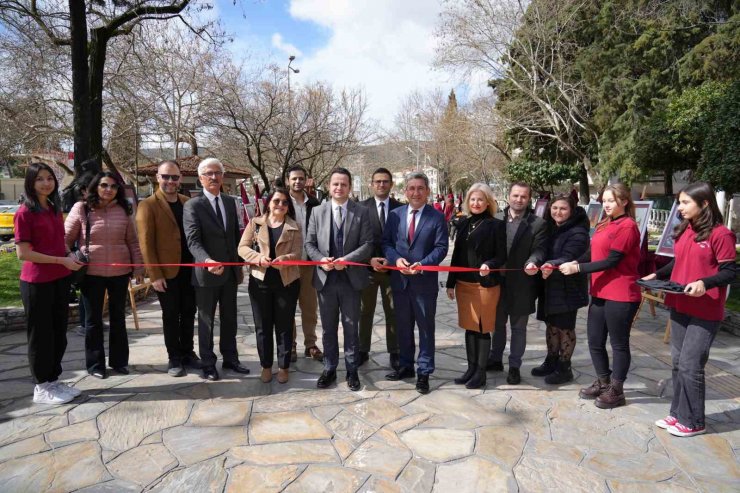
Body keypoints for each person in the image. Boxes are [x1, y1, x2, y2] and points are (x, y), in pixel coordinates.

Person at [643, 182, 736, 437]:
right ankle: (678, 414)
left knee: (691, 364)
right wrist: (657, 274)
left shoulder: (721, 234)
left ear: (704, 203)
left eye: (685, 202)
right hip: (680, 303)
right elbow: (679, 262)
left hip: (705, 309)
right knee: (677, 362)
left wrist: (704, 283)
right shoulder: (686, 230)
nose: (680, 207)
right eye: (680, 202)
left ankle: (694, 421)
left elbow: (730, 271)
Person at [559, 183, 641, 408]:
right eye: (604, 200)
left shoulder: (627, 226)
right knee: (595, 341)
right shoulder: (605, 223)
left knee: (618, 344)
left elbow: (612, 260)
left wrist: (577, 270)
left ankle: (617, 390)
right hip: (600, 292)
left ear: (624, 201)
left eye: (611, 201)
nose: (606, 204)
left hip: (621, 294)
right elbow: (593, 251)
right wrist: (577, 260)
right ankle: (604, 381)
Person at [65, 171, 144, 379]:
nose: (109, 189)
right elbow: (65, 239)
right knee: (93, 321)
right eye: (104, 185)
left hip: (120, 271)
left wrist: (138, 267)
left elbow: (133, 241)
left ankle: (119, 362)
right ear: (95, 186)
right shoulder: (81, 208)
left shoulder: (124, 209)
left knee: (119, 318)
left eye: (113, 186)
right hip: (91, 273)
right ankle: (95, 365)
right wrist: (70, 258)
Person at [16, 163, 84, 404]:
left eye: (50, 178)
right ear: (30, 183)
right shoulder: (25, 212)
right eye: (40, 179)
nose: (46, 183)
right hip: (37, 283)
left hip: (59, 279)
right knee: (41, 336)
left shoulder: (54, 208)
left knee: (58, 334)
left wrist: (70, 254)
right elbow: (23, 253)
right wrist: (61, 260)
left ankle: (53, 380)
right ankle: (41, 386)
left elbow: (59, 240)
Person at [306, 168, 373, 391]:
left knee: (351, 326)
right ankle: (330, 368)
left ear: (350, 187)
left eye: (343, 184)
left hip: (350, 279)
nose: (339, 188)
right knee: (328, 328)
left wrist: (347, 259)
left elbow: (367, 244)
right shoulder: (317, 211)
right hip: (326, 280)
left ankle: (352, 370)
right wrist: (320, 259)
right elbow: (309, 243)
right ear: (328, 186)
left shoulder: (361, 212)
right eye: (335, 184)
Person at [382, 172, 449, 394]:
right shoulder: (395, 215)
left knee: (426, 329)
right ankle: (406, 366)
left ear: (428, 191)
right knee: (403, 327)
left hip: (424, 283)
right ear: (405, 191)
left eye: (420, 188)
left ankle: (424, 371)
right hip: (400, 282)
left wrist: (422, 264)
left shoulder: (436, 217)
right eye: (411, 188)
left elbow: (441, 248)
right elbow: (387, 243)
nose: (416, 192)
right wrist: (395, 259)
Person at [183, 157, 247, 381]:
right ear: (200, 178)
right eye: (208, 173)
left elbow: (234, 236)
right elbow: (192, 241)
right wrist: (207, 261)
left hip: (229, 273)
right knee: (207, 321)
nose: (213, 177)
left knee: (230, 318)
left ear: (223, 176)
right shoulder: (193, 205)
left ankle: (231, 358)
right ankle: (208, 364)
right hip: (206, 274)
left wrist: (239, 266)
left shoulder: (230, 202)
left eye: (217, 173)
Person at [136, 161, 199, 378]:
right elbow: (146, 243)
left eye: (174, 177)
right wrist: (154, 274)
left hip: (189, 269)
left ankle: (188, 352)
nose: (170, 181)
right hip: (166, 272)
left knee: (189, 312)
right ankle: (174, 357)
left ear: (180, 178)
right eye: (166, 177)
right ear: (157, 177)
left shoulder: (187, 202)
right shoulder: (148, 205)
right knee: (171, 315)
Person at [238, 188, 302, 384]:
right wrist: (258, 258)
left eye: (284, 202)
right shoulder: (255, 223)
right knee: (262, 326)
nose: (280, 205)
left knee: (284, 326)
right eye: (276, 201)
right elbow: (242, 248)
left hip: (287, 282)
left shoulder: (294, 226)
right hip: (260, 282)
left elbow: (298, 253)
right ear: (269, 203)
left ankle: (283, 367)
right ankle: (266, 365)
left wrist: (285, 259)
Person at [445, 183, 506, 389]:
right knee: (469, 328)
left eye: (480, 199)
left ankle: (481, 373)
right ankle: (471, 369)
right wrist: (451, 283)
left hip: (485, 286)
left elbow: (502, 256)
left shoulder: (496, 225)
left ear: (488, 202)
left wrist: (489, 264)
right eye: (472, 199)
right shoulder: (464, 223)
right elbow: (457, 255)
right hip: (464, 285)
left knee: (481, 329)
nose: (476, 203)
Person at [488, 182, 548, 385]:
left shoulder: (538, 223)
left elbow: (540, 249)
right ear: (508, 196)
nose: (518, 199)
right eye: (515, 195)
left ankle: (514, 366)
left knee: (518, 328)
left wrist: (534, 261)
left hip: (522, 284)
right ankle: (495, 359)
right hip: (497, 283)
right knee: (496, 325)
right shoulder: (495, 219)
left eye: (523, 196)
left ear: (528, 198)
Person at [534, 194, 590, 384]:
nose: (558, 212)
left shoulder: (578, 233)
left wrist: (550, 263)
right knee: (551, 325)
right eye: (555, 208)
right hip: (550, 285)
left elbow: (569, 257)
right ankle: (551, 360)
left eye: (563, 208)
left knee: (565, 328)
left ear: (572, 211)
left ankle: (565, 367)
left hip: (568, 288)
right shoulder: (551, 228)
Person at [358, 167, 403, 369]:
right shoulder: (360, 208)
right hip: (367, 269)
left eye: (385, 181)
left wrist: (391, 261)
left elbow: (402, 240)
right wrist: (370, 260)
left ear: (391, 184)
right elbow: (356, 240)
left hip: (392, 270)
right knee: (364, 311)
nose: (381, 185)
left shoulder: (401, 209)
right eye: (377, 181)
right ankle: (362, 350)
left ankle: (395, 351)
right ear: (371, 184)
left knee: (393, 311)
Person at [285, 164, 324, 363]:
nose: (298, 182)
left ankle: (310, 344)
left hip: (309, 263)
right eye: (294, 179)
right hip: (288, 264)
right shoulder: (281, 201)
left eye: (301, 178)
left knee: (309, 307)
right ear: (287, 181)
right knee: (288, 306)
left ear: (306, 180)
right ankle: (290, 345)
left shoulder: (315, 203)